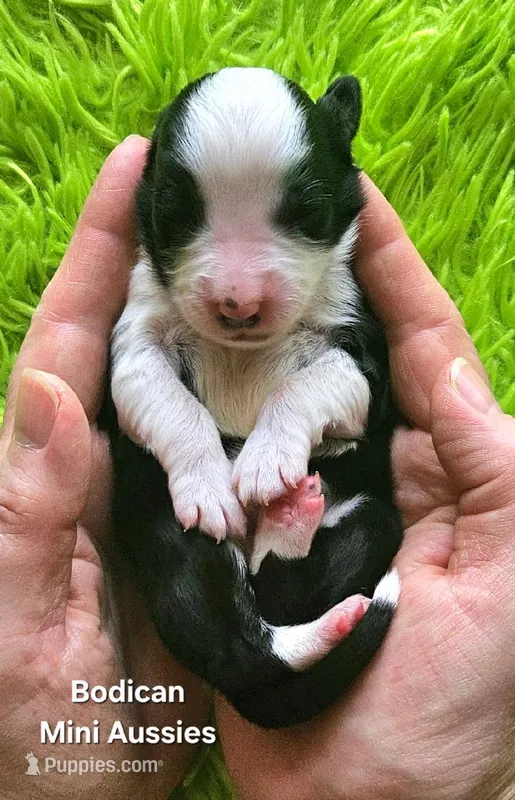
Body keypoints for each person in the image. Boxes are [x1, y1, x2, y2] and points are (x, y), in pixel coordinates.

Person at [0, 136, 513, 799]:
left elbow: (350, 388)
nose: (238, 289)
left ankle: (290, 603)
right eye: (194, 226)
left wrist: (291, 423)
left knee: (370, 523)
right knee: (163, 542)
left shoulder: (336, 295)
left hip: (315, 515)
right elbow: (135, 377)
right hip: (188, 525)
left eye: (289, 222)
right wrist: (190, 457)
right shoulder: (150, 295)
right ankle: (257, 643)